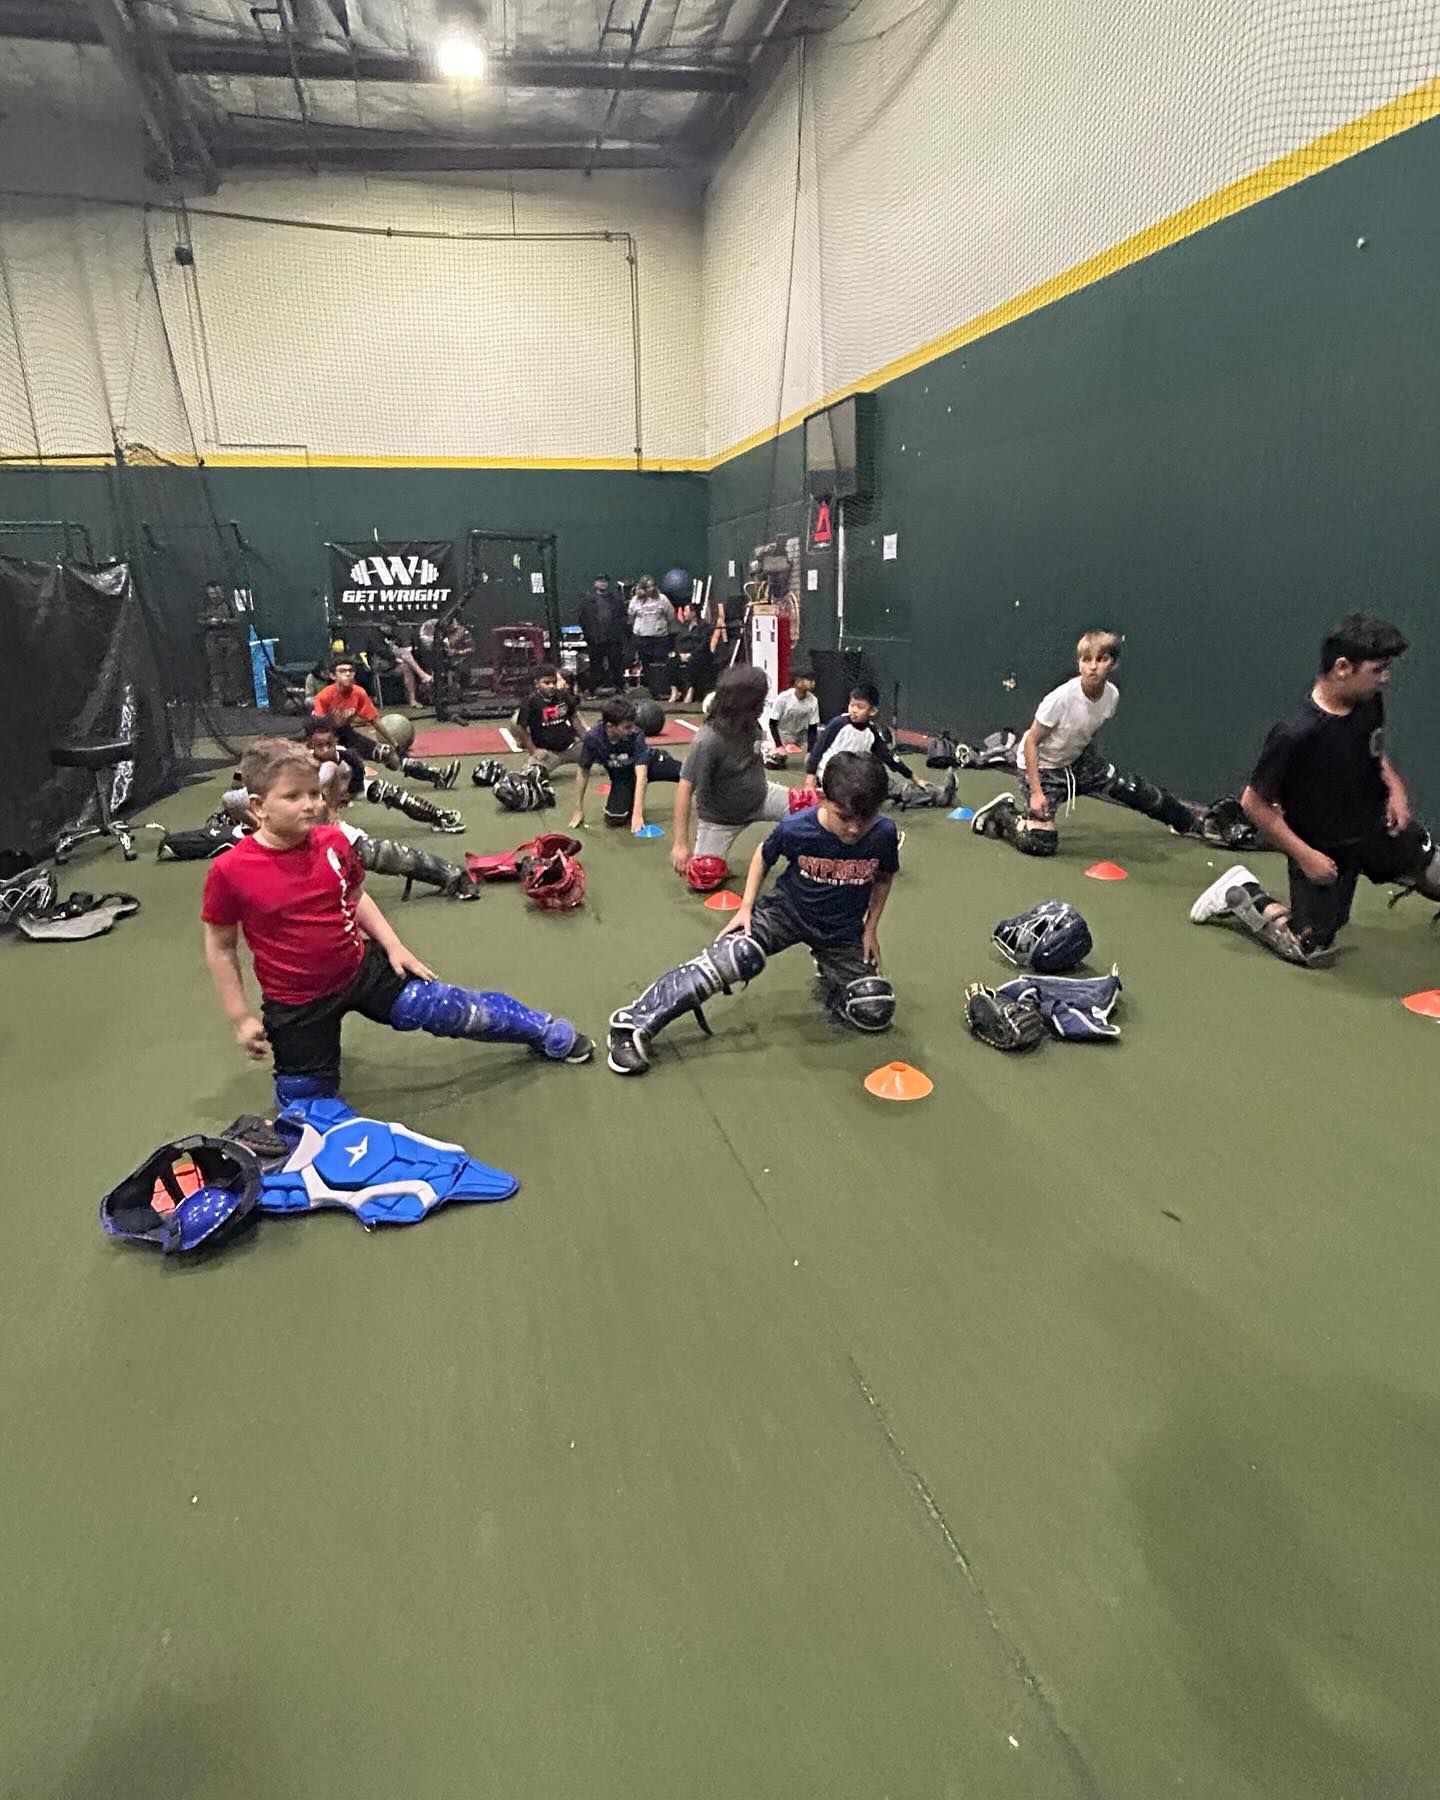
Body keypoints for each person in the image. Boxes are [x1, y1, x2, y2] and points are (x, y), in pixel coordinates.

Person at [201, 739, 591, 1108]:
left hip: (362, 969)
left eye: (315, 794)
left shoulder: (333, 843)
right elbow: (220, 946)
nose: (311, 805)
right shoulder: (230, 870)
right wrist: (240, 1017)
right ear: (257, 806)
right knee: (306, 1105)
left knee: (450, 1009)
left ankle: (539, 1028)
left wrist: (393, 945)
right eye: (293, 796)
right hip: (297, 1004)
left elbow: (354, 896)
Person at [607, 752, 899, 1074]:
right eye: (844, 817)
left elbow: (884, 878)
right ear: (822, 799)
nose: (856, 828)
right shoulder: (797, 828)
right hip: (786, 913)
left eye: (866, 817)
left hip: (840, 929)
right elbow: (763, 855)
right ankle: (632, 1022)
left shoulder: (883, 833)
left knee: (873, 1008)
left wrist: (869, 929)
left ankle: (831, 973)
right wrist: (745, 907)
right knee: (737, 955)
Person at [1190, 614, 1439, 965]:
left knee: (1436, 870)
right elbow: (1254, 803)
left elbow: (1376, 752)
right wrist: (1307, 857)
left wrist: (1395, 790)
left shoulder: (1369, 703)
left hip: (1375, 828)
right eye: (1378, 669)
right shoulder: (1295, 733)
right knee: (1310, 947)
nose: (1386, 678)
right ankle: (1242, 891)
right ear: (1342, 668)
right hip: (1323, 848)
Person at [971, 630, 1200, 851]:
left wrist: (1096, 769)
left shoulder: (1111, 696)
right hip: (1043, 769)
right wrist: (1037, 792)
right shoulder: (1059, 700)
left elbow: (1084, 732)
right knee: (1040, 842)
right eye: (1086, 660)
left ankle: (1190, 823)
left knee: (1129, 787)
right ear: (1079, 663)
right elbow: (1031, 742)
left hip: (1076, 762)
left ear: (1113, 663)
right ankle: (1003, 813)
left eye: (1101, 659)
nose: (1092, 667)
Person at [671, 665, 790, 876]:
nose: (763, 706)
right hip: (720, 817)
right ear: (745, 703)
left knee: (811, 812)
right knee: (703, 875)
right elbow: (685, 787)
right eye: (759, 701)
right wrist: (680, 843)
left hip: (760, 796)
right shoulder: (708, 740)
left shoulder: (751, 724)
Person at [312, 659, 458, 789]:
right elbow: (319, 727)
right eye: (342, 671)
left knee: (386, 754)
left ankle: (437, 776)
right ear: (333, 676)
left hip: (346, 733)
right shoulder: (324, 697)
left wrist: (393, 743)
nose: (348, 674)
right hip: (328, 739)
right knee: (349, 763)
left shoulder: (358, 693)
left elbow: (374, 720)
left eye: (351, 671)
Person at [807, 685, 954, 809]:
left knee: (886, 783)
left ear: (872, 711)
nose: (854, 710)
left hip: (857, 777)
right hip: (833, 779)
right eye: (852, 705)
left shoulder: (871, 733)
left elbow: (890, 759)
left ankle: (939, 795)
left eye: (860, 707)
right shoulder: (838, 724)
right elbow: (818, 749)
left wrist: (915, 779)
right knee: (882, 790)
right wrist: (810, 777)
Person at [570, 696, 683, 833]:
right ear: (610, 726)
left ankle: (661, 755)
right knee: (615, 818)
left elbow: (642, 775)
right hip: (623, 776)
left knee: (687, 774)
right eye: (627, 727)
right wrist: (578, 809)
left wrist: (638, 813)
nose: (632, 730)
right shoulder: (593, 738)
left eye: (633, 725)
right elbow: (583, 771)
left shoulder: (636, 734)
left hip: (650, 764)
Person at [514, 664, 583, 771]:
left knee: (604, 752)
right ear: (537, 684)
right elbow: (520, 728)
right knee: (532, 773)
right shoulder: (530, 702)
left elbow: (574, 718)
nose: (551, 686)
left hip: (571, 746)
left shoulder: (563, 696)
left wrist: (587, 740)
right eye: (546, 683)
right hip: (547, 753)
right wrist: (534, 750)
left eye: (554, 682)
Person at [628, 575, 677, 701]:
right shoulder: (635, 600)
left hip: (659, 638)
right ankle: (650, 690)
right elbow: (631, 617)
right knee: (647, 665)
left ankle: (661, 690)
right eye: (647, 586)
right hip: (642, 638)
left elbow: (671, 616)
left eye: (652, 586)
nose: (650, 589)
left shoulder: (662, 599)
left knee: (660, 665)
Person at [578, 574, 629, 694]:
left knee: (615, 664)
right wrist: (589, 636)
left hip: (613, 639)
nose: (602, 583)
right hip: (596, 639)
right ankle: (593, 689)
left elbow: (623, 617)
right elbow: (583, 620)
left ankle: (619, 688)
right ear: (595, 584)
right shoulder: (587, 601)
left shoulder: (616, 599)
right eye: (600, 581)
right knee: (595, 665)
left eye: (605, 581)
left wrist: (619, 633)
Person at [764, 668, 821, 764]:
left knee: (814, 761)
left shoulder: (813, 701)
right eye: (809, 679)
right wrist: (779, 746)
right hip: (782, 736)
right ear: (798, 681)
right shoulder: (783, 698)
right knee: (776, 761)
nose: (812, 682)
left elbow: (812, 727)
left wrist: (810, 751)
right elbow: (772, 723)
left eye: (813, 680)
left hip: (801, 737)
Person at [668, 601, 714, 705]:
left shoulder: (704, 626)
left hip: (698, 654)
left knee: (693, 663)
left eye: (686, 611)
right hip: (682, 653)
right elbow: (678, 641)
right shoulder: (683, 626)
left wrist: (691, 654)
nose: (684, 613)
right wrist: (680, 653)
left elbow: (704, 643)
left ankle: (690, 690)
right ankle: (674, 690)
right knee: (671, 661)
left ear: (693, 613)